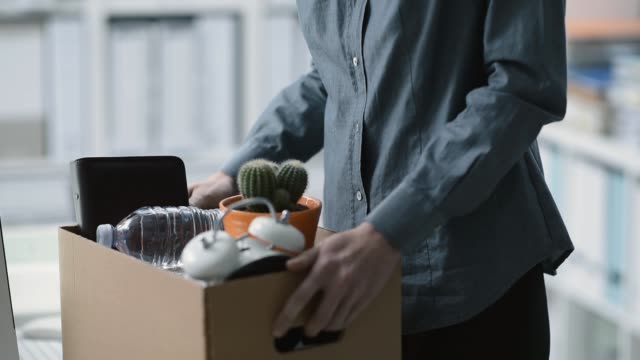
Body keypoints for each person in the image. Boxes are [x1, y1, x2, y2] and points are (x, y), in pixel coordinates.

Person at [189, 1, 574, 359]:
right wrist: (235, 175)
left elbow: (521, 90)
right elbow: (334, 77)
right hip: (351, 285)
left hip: (474, 286)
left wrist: (387, 232)